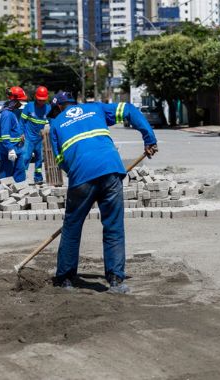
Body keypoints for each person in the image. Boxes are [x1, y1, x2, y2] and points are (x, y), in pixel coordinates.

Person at [48, 91, 158, 294]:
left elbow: (61, 161)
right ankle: (116, 281)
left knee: (71, 228)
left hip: (81, 175)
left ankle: (65, 280)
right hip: (110, 169)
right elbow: (129, 109)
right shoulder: (95, 108)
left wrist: (79, 176)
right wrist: (149, 138)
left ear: (57, 108)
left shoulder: (55, 125)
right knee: (113, 227)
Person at [20, 86, 52, 184]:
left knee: (39, 159)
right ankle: (21, 178)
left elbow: (52, 123)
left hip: (40, 139)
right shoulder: (29, 107)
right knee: (25, 158)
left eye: (43, 100)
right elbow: (22, 121)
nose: (41, 102)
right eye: (39, 100)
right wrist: (21, 133)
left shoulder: (48, 109)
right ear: (35, 97)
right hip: (29, 138)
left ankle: (38, 178)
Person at [0, 86, 27, 183]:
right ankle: (3, 196)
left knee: (20, 175)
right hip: (9, 151)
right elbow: (5, 135)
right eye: (19, 102)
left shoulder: (10, 113)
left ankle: (20, 194)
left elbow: (12, 131)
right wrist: (10, 149)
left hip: (16, 149)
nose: (20, 104)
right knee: (6, 177)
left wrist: (20, 137)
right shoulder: (7, 114)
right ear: (14, 101)